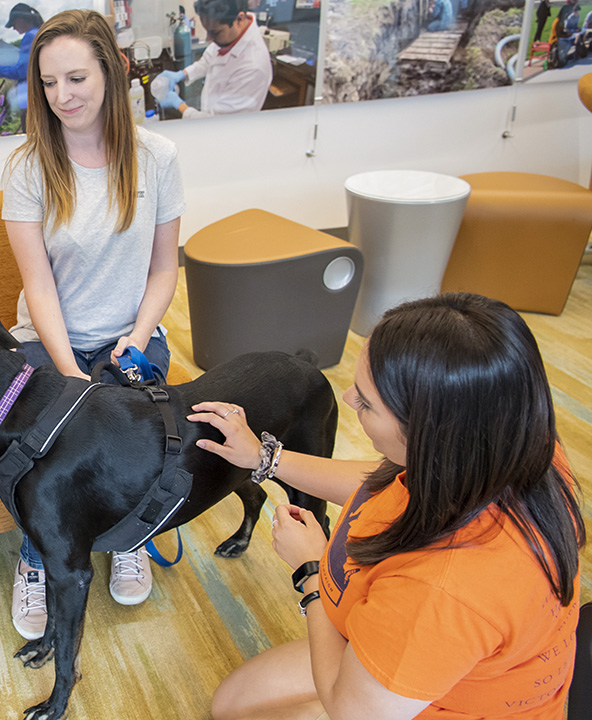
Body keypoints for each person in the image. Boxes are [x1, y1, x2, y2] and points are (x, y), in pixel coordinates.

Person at [194, 293, 584, 720]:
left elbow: (353, 711)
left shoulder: (445, 589)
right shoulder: (509, 442)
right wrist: (266, 459)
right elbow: (382, 486)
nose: (346, 398)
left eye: (366, 402)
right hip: (395, 645)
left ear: (429, 433)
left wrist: (309, 570)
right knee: (232, 703)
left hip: (423, 701)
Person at [1, 9, 186, 639]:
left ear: (112, 70)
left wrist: (133, 341)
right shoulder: (27, 169)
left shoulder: (157, 158)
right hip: (48, 337)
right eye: (49, 84)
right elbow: (38, 285)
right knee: (47, 440)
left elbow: (165, 271)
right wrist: (69, 370)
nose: (62, 97)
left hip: (129, 334)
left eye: (76, 78)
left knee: (135, 434)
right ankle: (35, 557)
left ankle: (129, 536)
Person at [151, 0, 272, 118]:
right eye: (207, 31)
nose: (209, 38)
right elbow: (207, 61)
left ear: (239, 20)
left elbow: (216, 121)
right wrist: (182, 74)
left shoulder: (253, 68)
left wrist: (179, 105)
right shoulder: (231, 34)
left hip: (228, 131)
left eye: (214, 32)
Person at [0, 3, 45, 130]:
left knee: (29, 139)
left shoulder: (29, 37)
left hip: (29, 100)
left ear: (21, 19)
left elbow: (22, 72)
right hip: (40, 98)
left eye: (13, 23)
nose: (13, 28)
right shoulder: (39, 33)